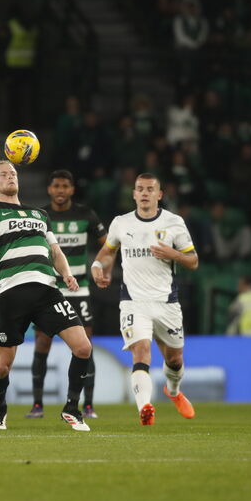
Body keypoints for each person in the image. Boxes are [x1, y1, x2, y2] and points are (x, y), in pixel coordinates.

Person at [0, 160, 93, 431]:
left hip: (47, 292)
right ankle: (0, 408)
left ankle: (72, 409)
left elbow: (55, 250)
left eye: (13, 173)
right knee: (2, 366)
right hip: (11, 293)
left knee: (83, 347)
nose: (10, 176)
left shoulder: (40, 214)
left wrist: (66, 273)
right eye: (3, 174)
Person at [91, 173, 198, 425]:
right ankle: (145, 407)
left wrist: (174, 254)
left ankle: (172, 391)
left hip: (166, 302)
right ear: (134, 194)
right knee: (141, 351)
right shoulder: (121, 223)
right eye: (140, 189)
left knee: (174, 359)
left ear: (159, 195)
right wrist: (97, 265)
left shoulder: (174, 223)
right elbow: (108, 250)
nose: (145, 193)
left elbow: (193, 261)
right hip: (133, 302)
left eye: (150, 189)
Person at [25, 170, 107, 420]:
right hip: (49, 288)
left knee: (85, 345)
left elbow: (108, 244)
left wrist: (100, 266)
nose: (60, 190)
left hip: (79, 288)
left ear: (72, 190)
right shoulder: (39, 216)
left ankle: (88, 405)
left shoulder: (85, 215)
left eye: (65, 186)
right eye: (56, 186)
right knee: (42, 343)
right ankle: (37, 405)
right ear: (49, 189)